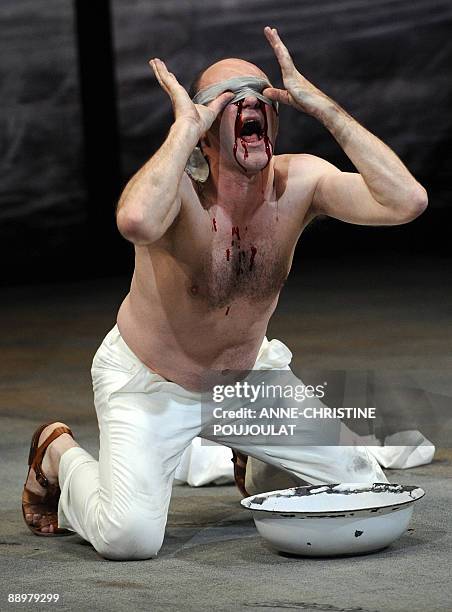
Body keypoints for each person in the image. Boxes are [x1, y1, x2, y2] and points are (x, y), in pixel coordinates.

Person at [22, 27, 427, 560]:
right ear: (208, 130)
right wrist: (184, 130)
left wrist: (323, 107)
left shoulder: (299, 182)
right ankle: (58, 455)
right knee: (130, 539)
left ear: (275, 120)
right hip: (153, 387)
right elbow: (134, 220)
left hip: (247, 387)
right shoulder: (178, 193)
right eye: (226, 100)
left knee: (363, 490)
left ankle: (255, 463)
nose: (247, 102)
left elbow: (406, 202)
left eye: (259, 96)